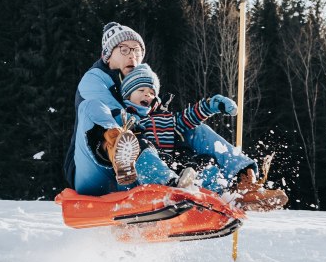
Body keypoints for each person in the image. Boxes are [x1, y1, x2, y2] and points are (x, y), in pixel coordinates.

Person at [63, 22, 287, 211]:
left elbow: (178, 121)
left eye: (137, 51)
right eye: (124, 49)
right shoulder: (94, 79)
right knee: (96, 109)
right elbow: (120, 118)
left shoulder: (148, 94)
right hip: (95, 169)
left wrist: (206, 107)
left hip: (137, 172)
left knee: (192, 130)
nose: (133, 55)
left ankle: (241, 182)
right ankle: (123, 150)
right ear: (107, 55)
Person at [119, 63, 288, 211]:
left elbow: (188, 118)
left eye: (151, 92)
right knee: (140, 147)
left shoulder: (166, 118)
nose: (147, 95)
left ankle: (224, 195)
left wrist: (210, 106)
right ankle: (170, 186)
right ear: (127, 95)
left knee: (204, 160)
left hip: (175, 165)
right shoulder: (124, 117)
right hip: (150, 172)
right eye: (141, 90)